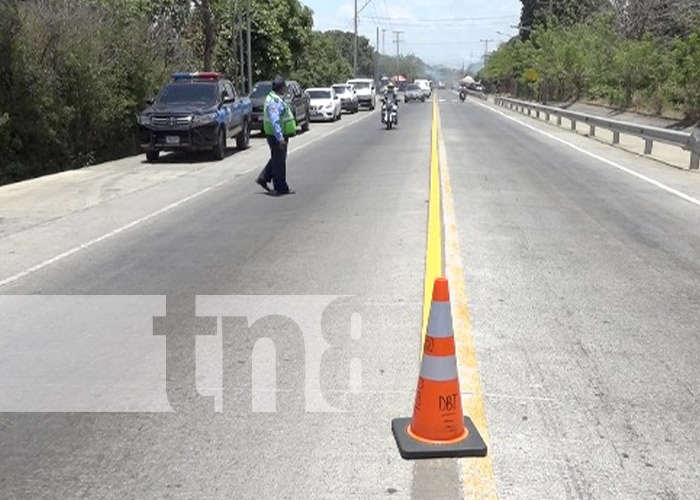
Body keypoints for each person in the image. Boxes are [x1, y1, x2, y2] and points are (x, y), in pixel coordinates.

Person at [256, 75, 296, 196]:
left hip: (278, 134)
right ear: (281, 87)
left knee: (277, 158)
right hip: (276, 135)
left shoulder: (276, 98)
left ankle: (264, 177)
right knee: (279, 162)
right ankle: (281, 187)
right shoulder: (273, 101)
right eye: (284, 87)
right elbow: (275, 120)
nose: (285, 89)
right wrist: (280, 138)